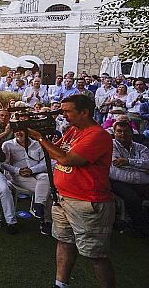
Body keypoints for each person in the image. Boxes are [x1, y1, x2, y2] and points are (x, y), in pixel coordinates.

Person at [29, 94, 115, 288]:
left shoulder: (97, 135)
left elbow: (67, 159)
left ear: (84, 112)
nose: (64, 115)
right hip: (64, 198)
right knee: (64, 242)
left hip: (87, 201)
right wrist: (41, 134)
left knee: (96, 254)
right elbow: (54, 152)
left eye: (67, 111)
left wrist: (40, 137)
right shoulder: (73, 131)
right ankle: (60, 284)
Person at [2, 128, 52, 235]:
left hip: (36, 172)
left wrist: (32, 170)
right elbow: (3, 164)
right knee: (46, 191)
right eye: (16, 131)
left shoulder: (37, 144)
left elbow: (46, 163)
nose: (19, 133)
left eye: (22, 130)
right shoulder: (7, 145)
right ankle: (46, 221)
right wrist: (18, 170)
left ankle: (38, 205)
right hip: (18, 176)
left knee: (45, 177)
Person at [109, 121, 149, 238]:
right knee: (133, 199)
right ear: (114, 133)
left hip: (142, 181)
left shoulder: (142, 148)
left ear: (132, 133)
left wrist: (127, 161)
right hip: (119, 182)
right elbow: (115, 163)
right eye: (119, 131)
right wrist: (142, 167)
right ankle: (139, 228)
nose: (123, 134)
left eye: (126, 131)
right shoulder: (110, 146)